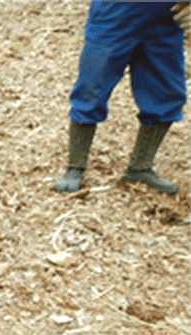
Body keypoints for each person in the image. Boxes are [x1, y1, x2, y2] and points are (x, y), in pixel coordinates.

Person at [55, 1, 186, 194]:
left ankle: (140, 168)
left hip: (166, 18)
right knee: (92, 86)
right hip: (116, 13)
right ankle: (76, 166)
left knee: (165, 91)